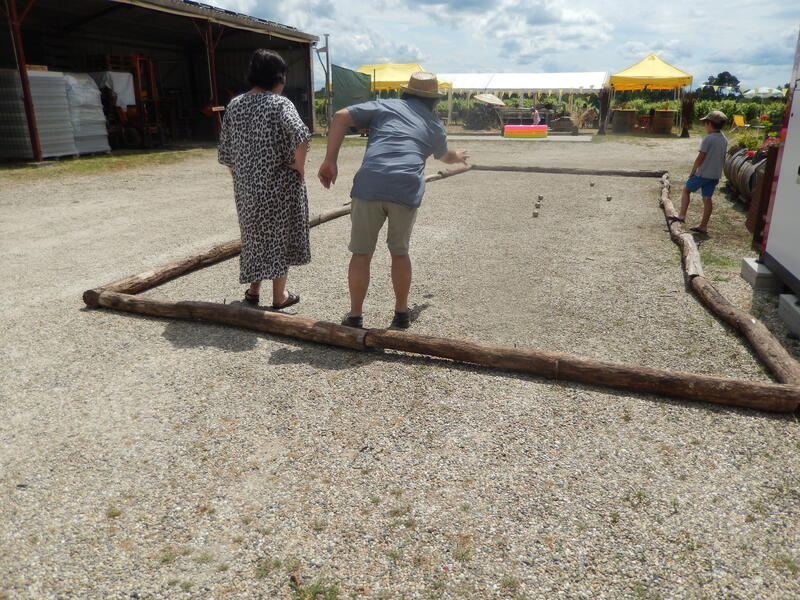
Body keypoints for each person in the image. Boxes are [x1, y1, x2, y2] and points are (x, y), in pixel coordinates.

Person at [317, 72, 468, 329]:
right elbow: (445, 156)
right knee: (399, 253)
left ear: (405, 92)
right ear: (434, 101)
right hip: (405, 188)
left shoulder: (386, 105)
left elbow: (341, 116)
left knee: (361, 254)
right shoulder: (433, 124)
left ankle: (355, 315)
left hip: (370, 183)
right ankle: (401, 313)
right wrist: (459, 155)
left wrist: (330, 160)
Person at [218, 49, 311, 309]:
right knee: (279, 238)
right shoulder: (280, 103)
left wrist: (243, 176)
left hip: (247, 188)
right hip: (280, 186)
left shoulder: (235, 105)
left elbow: (226, 152)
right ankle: (279, 297)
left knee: (255, 238)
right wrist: (299, 166)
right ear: (278, 77)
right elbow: (301, 134)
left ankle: (253, 292)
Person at [669, 110, 728, 235]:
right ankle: (703, 226)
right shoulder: (724, 139)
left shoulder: (708, 139)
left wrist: (693, 172)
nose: (704, 126)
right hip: (714, 175)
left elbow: (700, 158)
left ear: (709, 124)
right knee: (707, 199)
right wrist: (719, 173)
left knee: (686, 190)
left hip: (703, 174)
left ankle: (681, 216)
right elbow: (723, 158)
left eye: (705, 123)